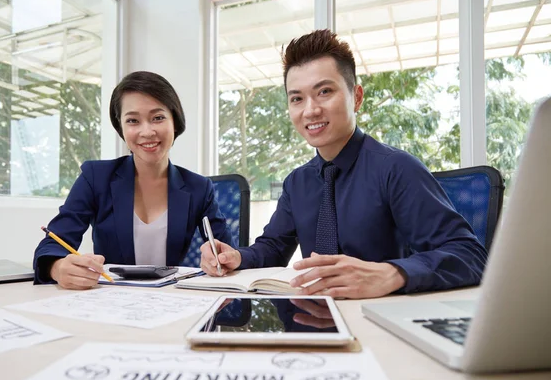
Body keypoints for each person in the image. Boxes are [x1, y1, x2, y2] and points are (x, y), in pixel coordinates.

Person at [200, 29, 487, 299]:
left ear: (357, 97)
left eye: (324, 92)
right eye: (297, 98)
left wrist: (394, 273)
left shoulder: (397, 169)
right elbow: (272, 248)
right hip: (315, 319)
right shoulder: (297, 182)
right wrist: (236, 257)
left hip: (382, 320)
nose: (310, 110)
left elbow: (469, 255)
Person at [34, 71, 232, 289]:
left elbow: (229, 252)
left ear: (175, 121)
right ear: (121, 128)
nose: (147, 131)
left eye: (158, 117)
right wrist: (58, 267)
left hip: (172, 302)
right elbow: (52, 244)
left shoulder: (199, 188)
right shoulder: (95, 177)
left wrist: (220, 259)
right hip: (110, 300)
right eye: (133, 121)